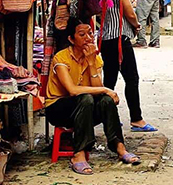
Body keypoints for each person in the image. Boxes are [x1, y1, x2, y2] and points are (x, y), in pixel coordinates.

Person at [45, 18, 141, 175]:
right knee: (87, 98)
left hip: (84, 108)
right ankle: (79, 154)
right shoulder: (61, 58)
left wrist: (91, 64)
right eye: (82, 35)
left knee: (105, 101)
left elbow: (97, 89)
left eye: (90, 33)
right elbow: (72, 91)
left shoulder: (94, 57)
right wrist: (106, 89)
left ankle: (119, 147)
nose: (88, 38)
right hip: (58, 109)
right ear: (71, 39)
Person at [99, 0, 157, 133]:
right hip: (119, 38)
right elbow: (128, 11)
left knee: (109, 80)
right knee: (131, 78)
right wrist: (137, 24)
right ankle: (136, 119)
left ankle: (107, 117)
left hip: (105, 38)